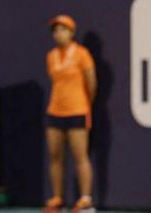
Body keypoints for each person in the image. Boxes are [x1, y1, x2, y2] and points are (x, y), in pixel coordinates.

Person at [43, 15, 97, 213]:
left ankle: (85, 199)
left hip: (77, 110)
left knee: (80, 156)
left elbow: (91, 84)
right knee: (55, 156)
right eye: (55, 30)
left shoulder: (82, 54)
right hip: (55, 111)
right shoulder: (51, 56)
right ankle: (58, 198)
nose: (58, 34)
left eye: (63, 29)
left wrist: (84, 103)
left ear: (72, 32)